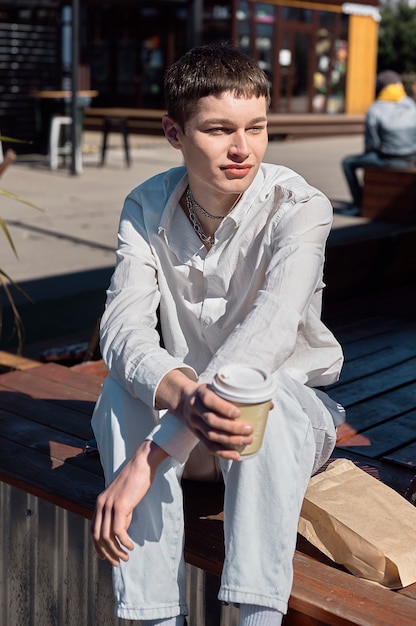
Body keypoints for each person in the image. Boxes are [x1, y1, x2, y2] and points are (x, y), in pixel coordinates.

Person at [90, 42, 345, 626]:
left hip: (282, 429)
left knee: (264, 391)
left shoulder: (299, 206)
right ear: (174, 133)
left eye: (256, 127)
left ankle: (258, 618)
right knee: (119, 391)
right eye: (218, 130)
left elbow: (269, 335)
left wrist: (149, 459)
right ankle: (154, 616)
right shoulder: (147, 203)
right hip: (193, 436)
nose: (243, 149)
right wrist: (179, 398)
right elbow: (122, 327)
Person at [341, 70, 416, 211]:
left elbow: (372, 143)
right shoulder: (411, 104)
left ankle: (358, 204)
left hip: (389, 158)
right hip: (413, 157)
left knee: (347, 163)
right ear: (398, 85)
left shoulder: (375, 108)